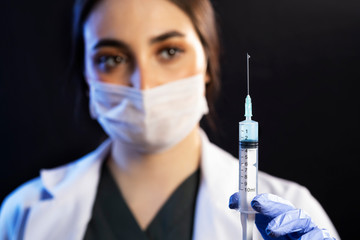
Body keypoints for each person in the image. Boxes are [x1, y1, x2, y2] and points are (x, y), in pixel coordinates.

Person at [0, 0, 340, 239]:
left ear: (207, 62)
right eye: (112, 58)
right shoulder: (22, 213)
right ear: (85, 74)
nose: (143, 85)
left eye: (169, 51)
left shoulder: (292, 214)